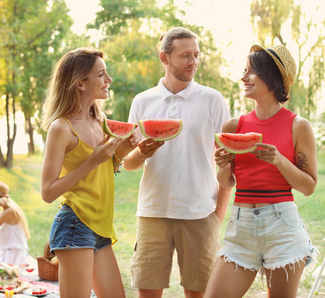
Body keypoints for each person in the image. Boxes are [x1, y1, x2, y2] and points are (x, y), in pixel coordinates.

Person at [123, 27, 231, 298]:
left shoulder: (212, 99)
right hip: (152, 212)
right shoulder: (142, 101)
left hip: (199, 213)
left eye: (196, 55)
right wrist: (143, 153)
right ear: (165, 58)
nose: (193, 62)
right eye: (185, 56)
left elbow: (229, 159)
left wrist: (218, 213)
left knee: (198, 292)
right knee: (147, 291)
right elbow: (129, 162)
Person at [204, 44, 318, 298]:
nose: (243, 77)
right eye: (244, 71)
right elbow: (227, 182)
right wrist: (222, 165)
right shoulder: (235, 125)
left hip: (283, 228)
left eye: (251, 71)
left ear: (272, 77)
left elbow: (309, 187)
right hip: (241, 226)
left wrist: (279, 160)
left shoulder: (299, 126)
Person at [40, 48, 137, 298]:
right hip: (75, 225)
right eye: (102, 74)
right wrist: (92, 161)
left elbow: (106, 167)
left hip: (100, 227)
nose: (109, 80)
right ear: (81, 83)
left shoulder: (99, 118)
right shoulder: (61, 128)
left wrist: (127, 150)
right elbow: (48, 192)